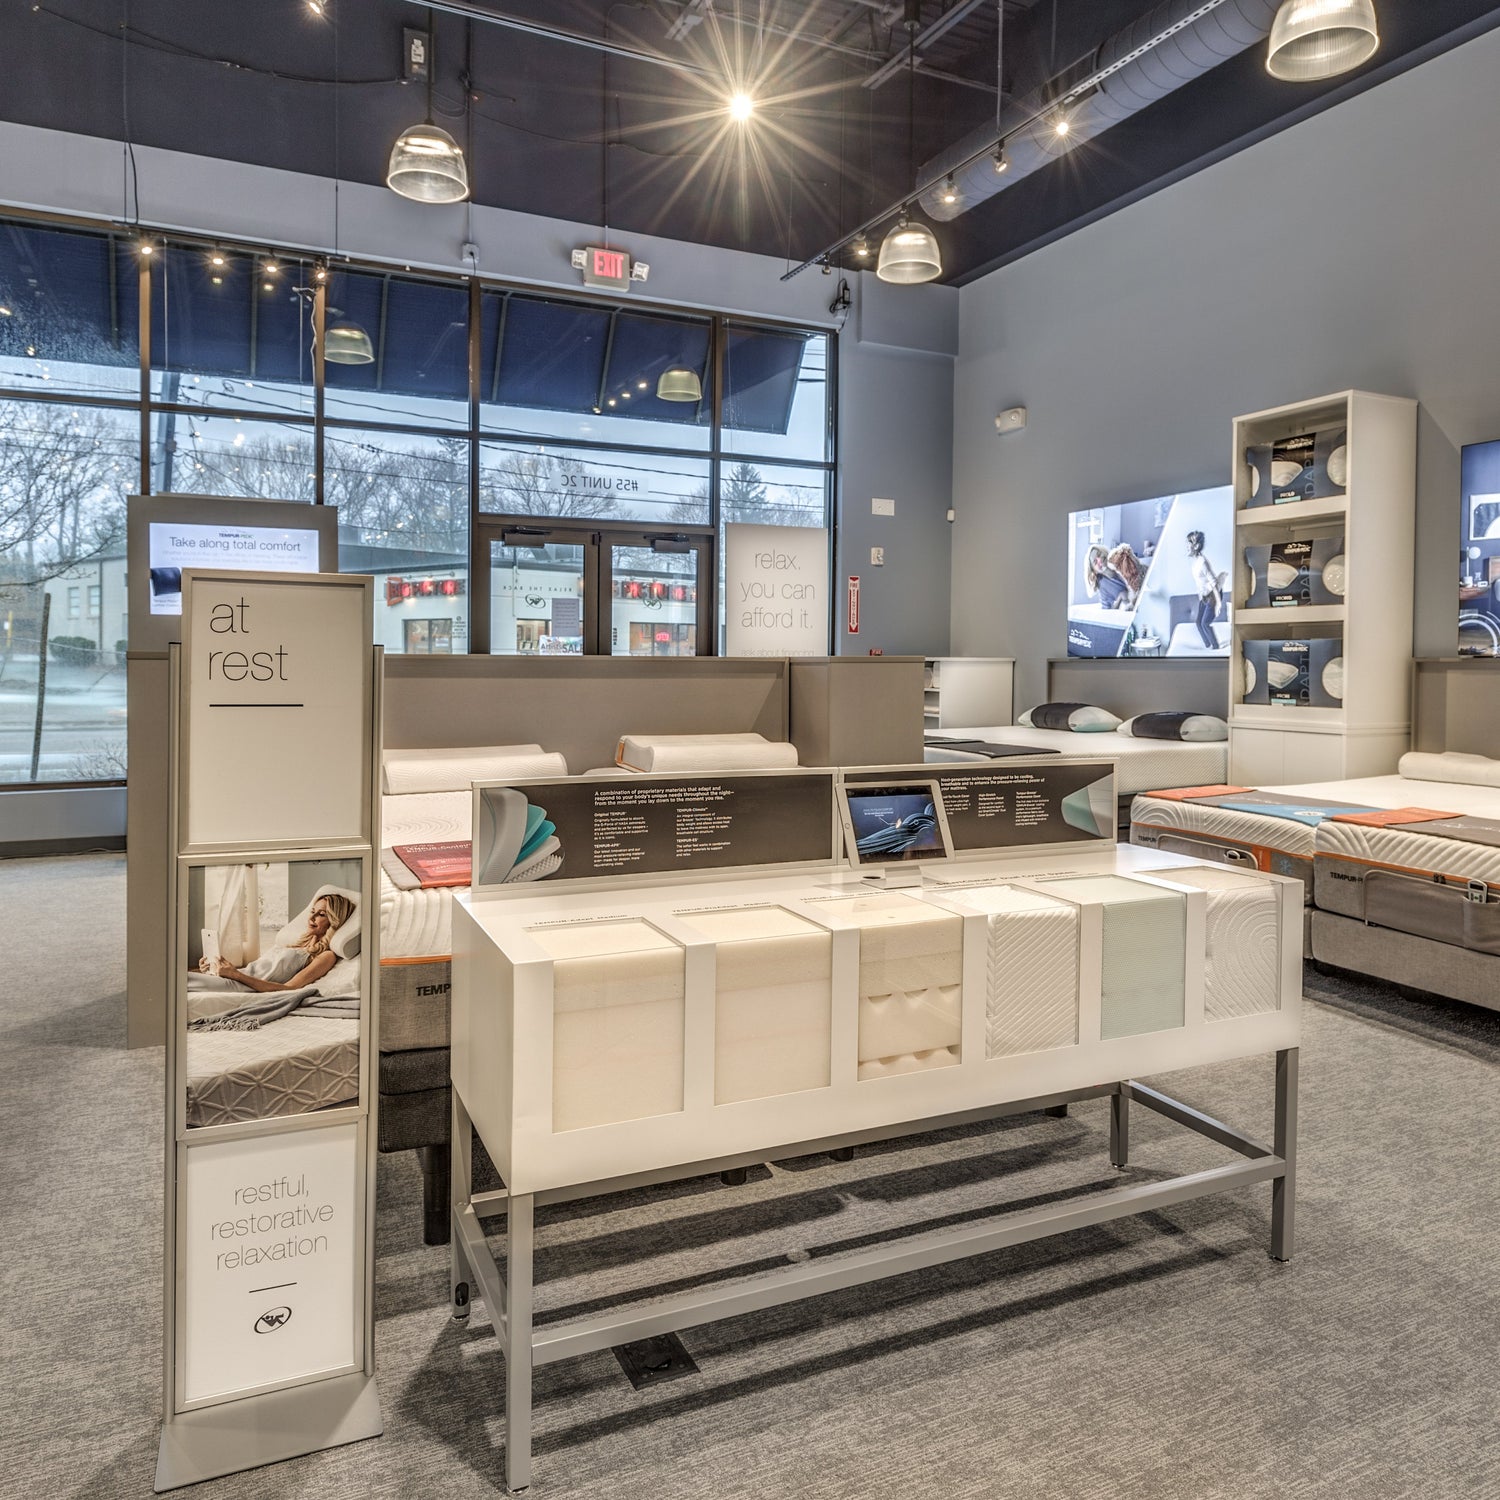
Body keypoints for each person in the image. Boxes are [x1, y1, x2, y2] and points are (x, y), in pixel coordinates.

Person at [194, 893, 354, 994]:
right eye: (312, 912)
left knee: (178, 981)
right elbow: (255, 970)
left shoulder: (326, 956)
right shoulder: (296, 945)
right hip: (237, 978)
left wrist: (235, 975)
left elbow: (289, 989)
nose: (312, 918)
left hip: (243, 987)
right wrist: (216, 969)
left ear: (334, 920)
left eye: (321, 914)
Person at [1187, 530, 1225, 650]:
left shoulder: (1203, 562)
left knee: (1204, 623)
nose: (1187, 546)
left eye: (1189, 543)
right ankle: (1207, 646)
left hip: (1213, 595)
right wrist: (1201, 595)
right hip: (1205, 596)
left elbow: (1214, 583)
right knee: (1198, 623)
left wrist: (1218, 604)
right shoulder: (1195, 562)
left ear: (1196, 546)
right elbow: (1201, 583)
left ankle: (1215, 647)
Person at [1085, 545, 1132, 609]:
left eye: (1099, 555)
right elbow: (1107, 610)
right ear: (1095, 571)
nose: (1099, 560)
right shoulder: (1102, 584)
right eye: (1095, 562)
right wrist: (1120, 598)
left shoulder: (1121, 562)